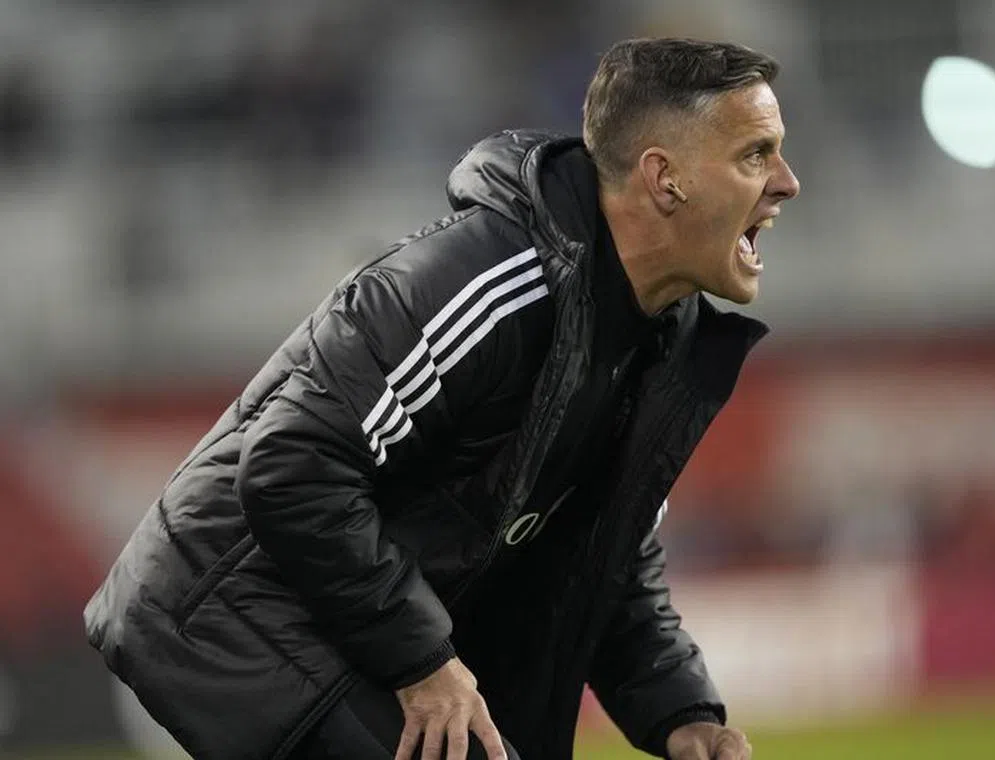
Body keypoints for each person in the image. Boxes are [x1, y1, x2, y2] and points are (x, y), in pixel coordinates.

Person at [84, 37, 799, 760]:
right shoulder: (491, 285)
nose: (786, 182)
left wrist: (680, 712)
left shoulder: (654, 335)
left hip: (350, 636)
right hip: (239, 620)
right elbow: (291, 466)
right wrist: (421, 661)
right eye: (755, 155)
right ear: (664, 178)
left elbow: (602, 555)